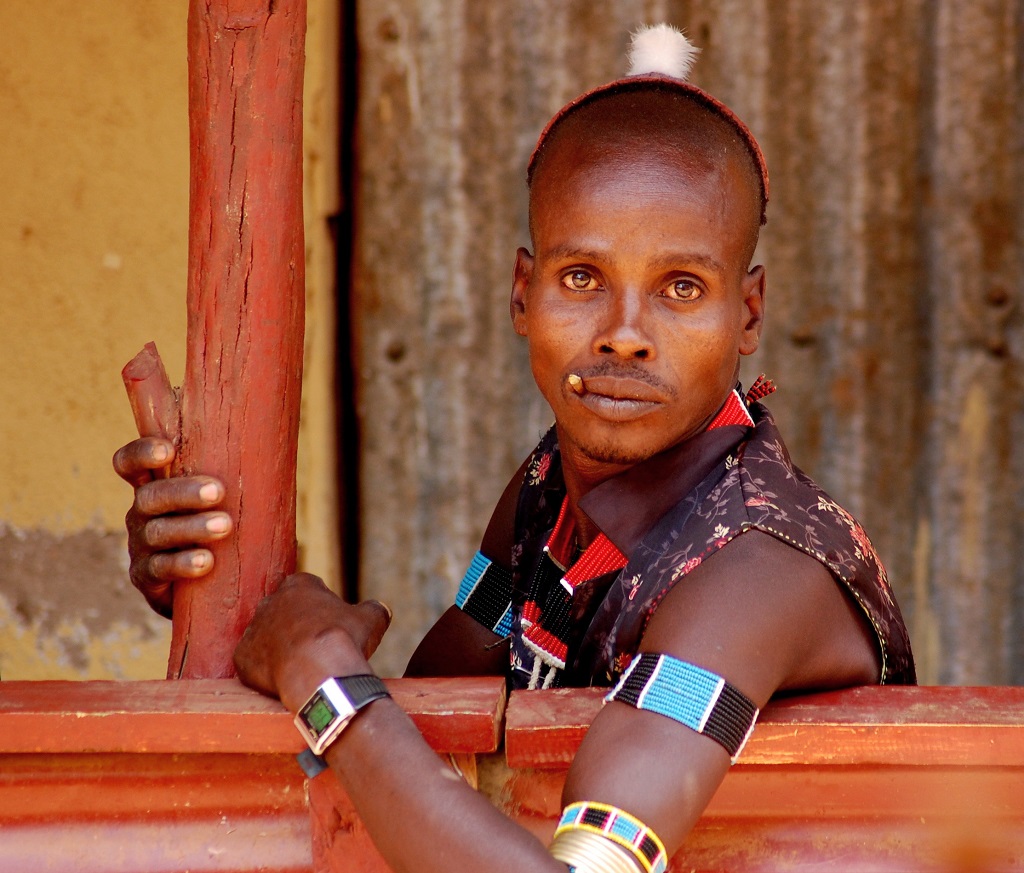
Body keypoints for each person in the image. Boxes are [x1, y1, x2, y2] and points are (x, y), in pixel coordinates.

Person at [114, 25, 914, 873]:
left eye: (682, 288)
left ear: (747, 313)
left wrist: (324, 678)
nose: (625, 336)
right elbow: (434, 707)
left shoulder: (755, 568)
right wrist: (225, 596)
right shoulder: (549, 491)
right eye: (581, 279)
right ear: (521, 293)